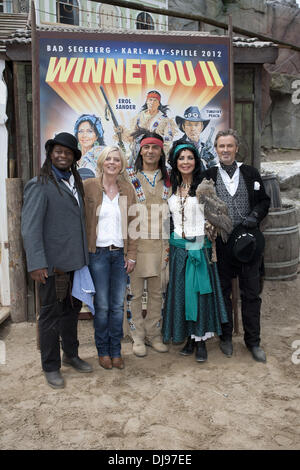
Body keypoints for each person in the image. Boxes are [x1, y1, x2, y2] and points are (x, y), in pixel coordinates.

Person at [21, 132, 92, 389]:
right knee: (50, 315)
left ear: (73, 158)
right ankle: (50, 366)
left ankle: (71, 354)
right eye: (58, 151)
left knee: (71, 312)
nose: (62, 155)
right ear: (50, 154)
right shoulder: (39, 184)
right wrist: (36, 263)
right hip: (50, 265)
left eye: (67, 152)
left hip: (74, 262)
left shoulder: (74, 181)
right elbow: (30, 228)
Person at [200, 129, 271, 363]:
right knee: (223, 292)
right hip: (221, 244)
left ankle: (253, 341)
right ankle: (226, 338)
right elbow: (199, 204)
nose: (226, 150)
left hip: (247, 244)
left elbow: (264, 201)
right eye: (221, 146)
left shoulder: (250, 173)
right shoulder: (209, 174)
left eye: (230, 146)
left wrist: (254, 217)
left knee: (251, 293)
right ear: (216, 149)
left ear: (236, 148)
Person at [162, 143, 228, 362]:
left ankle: (201, 341)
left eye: (190, 157)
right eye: (181, 158)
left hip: (200, 249)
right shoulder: (171, 187)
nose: (186, 162)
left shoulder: (205, 187)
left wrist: (211, 229)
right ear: (175, 161)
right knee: (182, 294)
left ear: (196, 161)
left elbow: (219, 216)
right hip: (179, 249)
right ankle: (189, 337)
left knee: (199, 294)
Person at [83, 146, 138, 370]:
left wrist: (132, 255)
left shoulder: (127, 189)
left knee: (117, 305)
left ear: (122, 164)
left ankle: (116, 351)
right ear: (102, 162)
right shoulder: (88, 187)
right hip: (98, 255)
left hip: (120, 255)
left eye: (117, 159)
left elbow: (135, 224)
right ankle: (102, 351)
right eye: (109, 159)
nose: (112, 162)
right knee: (102, 305)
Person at [125, 131, 171, 357]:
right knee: (134, 294)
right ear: (140, 150)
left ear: (161, 151)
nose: (151, 151)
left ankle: (154, 335)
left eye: (155, 147)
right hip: (136, 245)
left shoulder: (169, 177)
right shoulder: (129, 177)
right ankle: (137, 337)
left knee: (157, 294)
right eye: (146, 147)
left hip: (161, 245)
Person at [116, 90, 177, 165]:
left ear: (158, 103)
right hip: (137, 154)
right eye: (150, 100)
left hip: (154, 155)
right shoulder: (138, 117)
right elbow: (132, 136)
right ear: (146, 101)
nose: (152, 102)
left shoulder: (165, 120)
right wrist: (122, 132)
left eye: (155, 100)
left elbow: (168, 141)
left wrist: (160, 156)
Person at [174, 106, 218, 170]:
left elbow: (214, 172)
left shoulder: (205, 147)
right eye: (189, 125)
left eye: (196, 125)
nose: (193, 129)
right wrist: (203, 161)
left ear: (202, 127)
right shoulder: (176, 146)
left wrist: (211, 160)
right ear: (183, 127)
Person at [74, 114, 105, 179]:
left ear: (97, 136)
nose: (84, 135)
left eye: (89, 131)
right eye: (81, 131)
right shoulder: (72, 157)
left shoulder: (103, 158)